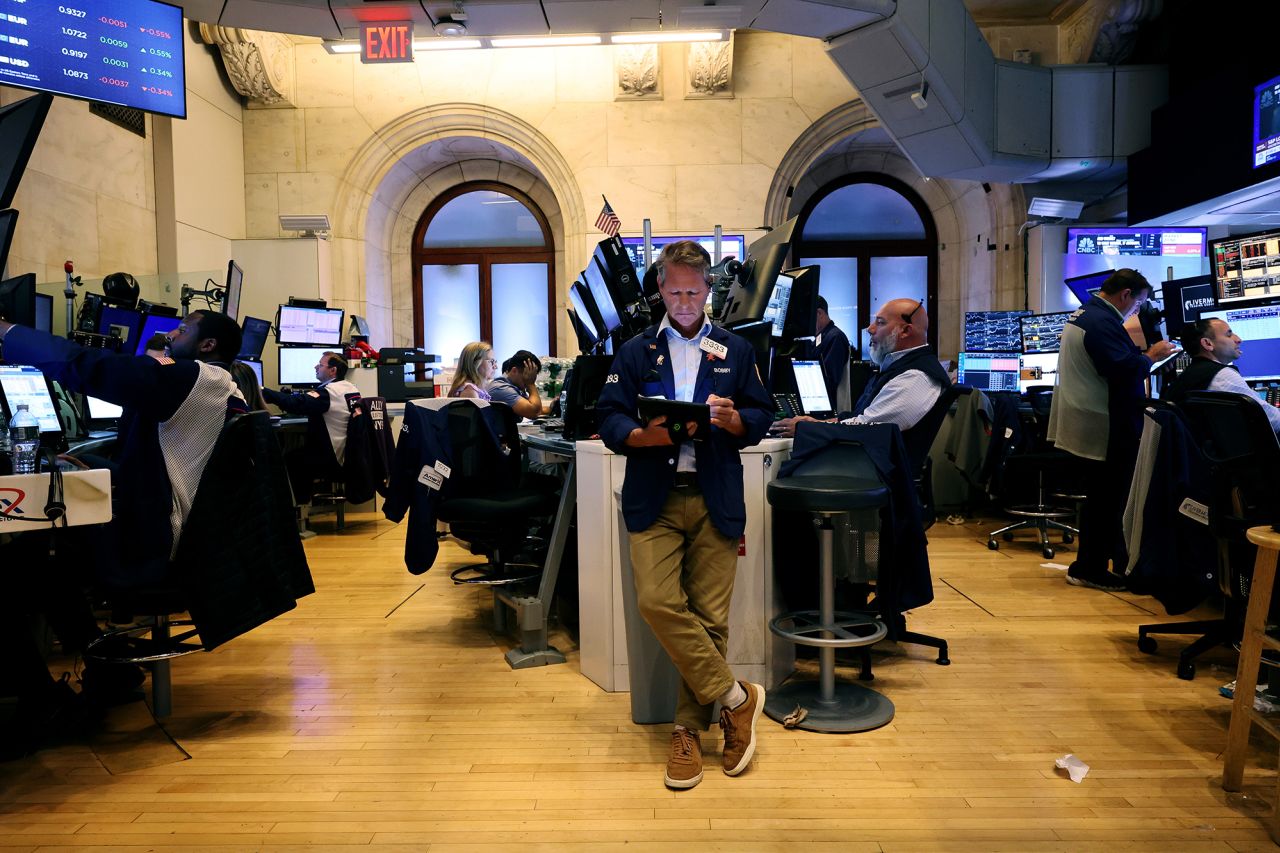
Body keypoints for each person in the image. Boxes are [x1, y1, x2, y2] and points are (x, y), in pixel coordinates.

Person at [597, 240, 774, 790]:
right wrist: (641, 435)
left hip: (717, 494)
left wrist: (733, 419)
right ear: (659, 289)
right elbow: (608, 416)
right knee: (657, 601)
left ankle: (688, 731)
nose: (684, 301)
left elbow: (762, 413)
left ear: (708, 291)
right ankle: (737, 698)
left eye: (693, 291)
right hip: (656, 495)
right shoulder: (634, 351)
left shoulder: (734, 349)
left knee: (710, 619)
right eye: (673, 291)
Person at [0, 310, 246, 587]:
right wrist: (92, 468)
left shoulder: (195, 378)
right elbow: (164, 470)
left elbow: (90, 366)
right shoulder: (225, 387)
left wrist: (8, 331)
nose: (171, 335)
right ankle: (82, 631)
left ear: (207, 345)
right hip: (188, 537)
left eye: (182, 330)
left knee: (35, 550)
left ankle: (78, 630)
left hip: (155, 547)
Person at [1047, 268, 1177, 591]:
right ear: (1125, 295)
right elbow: (1123, 369)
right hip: (1103, 425)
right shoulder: (1102, 323)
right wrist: (1152, 355)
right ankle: (1090, 568)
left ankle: (1096, 564)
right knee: (1106, 502)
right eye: (1137, 306)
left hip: (1090, 421)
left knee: (1100, 500)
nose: (1135, 313)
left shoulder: (1086, 315)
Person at [775, 297, 950, 473]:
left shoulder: (916, 376)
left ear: (905, 331)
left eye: (880, 323)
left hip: (877, 471)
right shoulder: (897, 368)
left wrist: (810, 429)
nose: (870, 329)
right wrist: (819, 422)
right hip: (869, 462)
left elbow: (867, 426)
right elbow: (866, 419)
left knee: (785, 468)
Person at [263, 351, 360, 501]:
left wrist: (264, 391)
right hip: (349, 455)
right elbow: (306, 401)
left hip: (333, 461)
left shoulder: (329, 393)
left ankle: (299, 509)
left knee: (291, 459)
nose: (316, 367)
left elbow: (296, 404)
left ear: (333, 370)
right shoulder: (351, 388)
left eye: (321, 365)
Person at [1165, 318, 1280, 432]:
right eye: (1229, 335)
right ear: (1207, 343)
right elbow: (1272, 420)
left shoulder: (1187, 377)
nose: (1239, 339)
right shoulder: (1222, 375)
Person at [807, 295, 851, 408]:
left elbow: (829, 380)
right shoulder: (821, 337)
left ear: (819, 313)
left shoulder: (835, 337)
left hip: (833, 408)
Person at [486, 349, 544, 420]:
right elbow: (534, 412)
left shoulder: (512, 386)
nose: (528, 379)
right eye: (527, 376)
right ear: (514, 371)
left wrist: (553, 407)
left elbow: (537, 408)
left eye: (532, 377)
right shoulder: (501, 388)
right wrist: (530, 384)